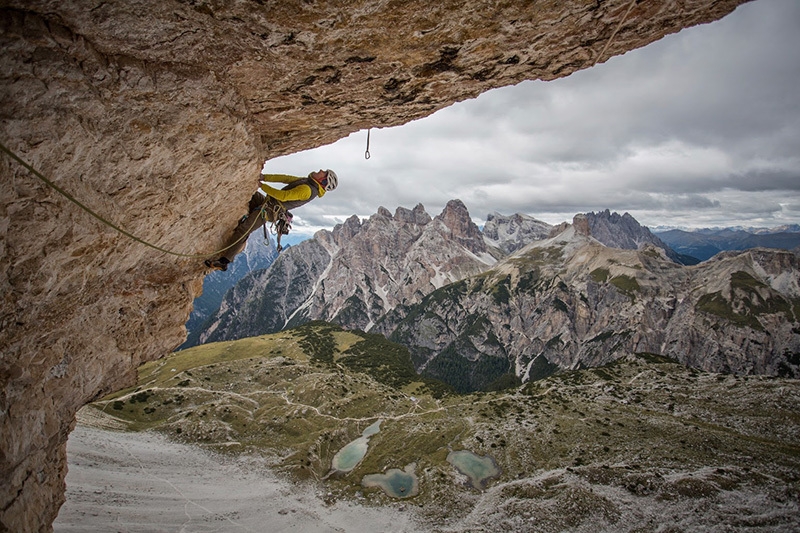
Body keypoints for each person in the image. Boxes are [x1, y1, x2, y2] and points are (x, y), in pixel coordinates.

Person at [204, 169, 338, 271]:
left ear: (323, 181)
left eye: (324, 173)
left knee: (244, 229)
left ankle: (224, 261)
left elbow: (283, 196)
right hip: (268, 204)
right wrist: (264, 177)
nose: (321, 170)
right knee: (249, 194)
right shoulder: (307, 182)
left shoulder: (307, 190)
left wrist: (262, 186)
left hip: (268, 211)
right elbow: (286, 179)